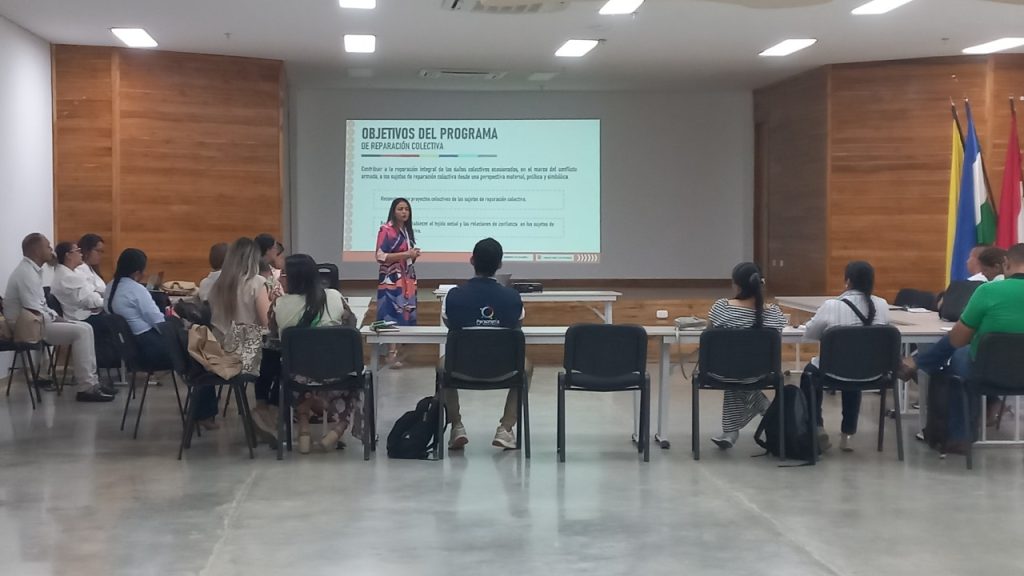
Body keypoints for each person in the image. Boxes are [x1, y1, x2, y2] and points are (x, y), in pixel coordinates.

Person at [909, 244, 1024, 452]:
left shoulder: (989, 290)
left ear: (1005, 264)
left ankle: (959, 436)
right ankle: (919, 364)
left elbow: (958, 337)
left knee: (955, 358)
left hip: (986, 372)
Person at [107, 249, 220, 429]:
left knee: (194, 348)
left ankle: (199, 407)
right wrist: (178, 321)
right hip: (149, 348)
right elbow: (158, 321)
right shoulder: (136, 290)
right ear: (137, 272)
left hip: (135, 350)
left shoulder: (111, 287)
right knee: (201, 354)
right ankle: (204, 413)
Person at [441, 238, 529, 451]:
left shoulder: (453, 296)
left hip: (461, 368)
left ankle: (456, 426)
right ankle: (506, 429)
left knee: (442, 366)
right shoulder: (513, 297)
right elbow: (518, 323)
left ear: (472, 261)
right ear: (499, 264)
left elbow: (448, 322)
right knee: (526, 367)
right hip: (504, 369)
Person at [4, 233, 113, 402]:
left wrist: (55, 317)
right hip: (28, 328)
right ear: (36, 250)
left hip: (36, 322)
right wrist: (56, 318)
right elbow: (35, 309)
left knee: (85, 328)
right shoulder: (26, 273)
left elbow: (41, 306)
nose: (51, 250)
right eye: (47, 246)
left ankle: (92, 383)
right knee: (82, 332)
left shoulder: (33, 271)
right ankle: (86, 387)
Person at [269, 254, 360, 454]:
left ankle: (303, 427)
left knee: (301, 376)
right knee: (356, 381)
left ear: (291, 278)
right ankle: (338, 429)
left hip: (297, 375)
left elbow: (274, 334)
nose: (279, 278)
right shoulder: (335, 297)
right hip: (337, 373)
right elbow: (351, 326)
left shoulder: (279, 305)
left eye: (282, 274)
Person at [800, 261, 889, 453]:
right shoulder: (882, 305)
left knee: (809, 374)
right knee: (855, 368)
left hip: (834, 370)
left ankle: (817, 426)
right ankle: (847, 433)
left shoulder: (831, 305)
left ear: (847, 281)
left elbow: (810, 334)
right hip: (872, 373)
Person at [706, 262, 788, 449]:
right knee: (743, 371)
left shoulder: (722, 307)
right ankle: (757, 409)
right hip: (761, 372)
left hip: (723, 371)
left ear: (736, 284)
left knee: (734, 371)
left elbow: (709, 332)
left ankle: (731, 431)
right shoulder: (774, 313)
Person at [376, 198, 419, 366]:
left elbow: (407, 257)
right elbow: (380, 256)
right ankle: (390, 353)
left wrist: (412, 255)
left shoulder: (407, 231)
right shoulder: (386, 230)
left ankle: (397, 352)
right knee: (390, 311)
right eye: (400, 209)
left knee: (404, 311)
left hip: (406, 276)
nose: (404, 212)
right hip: (391, 278)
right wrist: (406, 255)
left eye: (406, 209)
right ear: (393, 211)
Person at [209, 237, 271, 341]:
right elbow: (267, 323)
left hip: (219, 348)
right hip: (248, 349)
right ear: (254, 259)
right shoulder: (257, 283)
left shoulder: (217, 284)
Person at [52, 241, 104, 321]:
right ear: (68, 255)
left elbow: (91, 290)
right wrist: (105, 300)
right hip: (80, 317)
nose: (81, 254)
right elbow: (89, 300)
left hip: (88, 312)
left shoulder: (74, 272)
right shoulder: (67, 277)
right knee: (113, 321)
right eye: (78, 251)